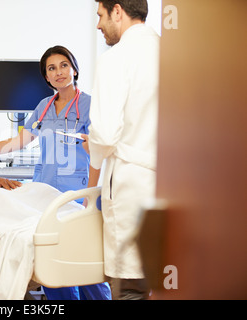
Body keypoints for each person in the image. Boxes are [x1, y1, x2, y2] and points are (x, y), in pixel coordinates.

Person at [0, 46, 111, 300]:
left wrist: (90, 198)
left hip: (78, 195)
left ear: (74, 69)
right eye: (51, 68)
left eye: (64, 65)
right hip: (45, 195)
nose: (59, 72)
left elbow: (97, 155)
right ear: (46, 77)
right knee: (51, 265)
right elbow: (17, 142)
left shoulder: (90, 105)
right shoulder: (43, 106)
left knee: (85, 266)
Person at [86, 0, 160, 299]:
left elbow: (104, 133)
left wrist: (93, 147)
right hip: (174, 185)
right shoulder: (173, 52)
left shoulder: (116, 58)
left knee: (130, 284)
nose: (98, 25)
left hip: (132, 182)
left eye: (101, 16)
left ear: (118, 11)